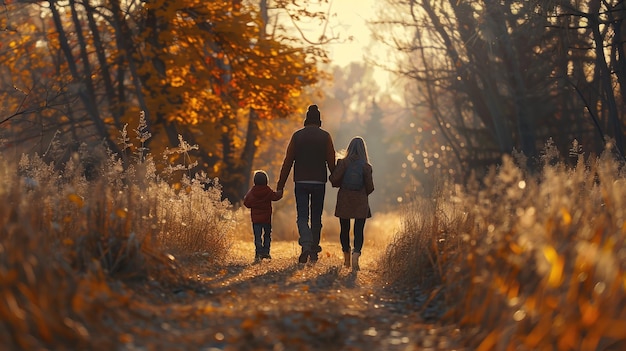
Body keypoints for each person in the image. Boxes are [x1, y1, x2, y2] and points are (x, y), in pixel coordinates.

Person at [276, 104, 336, 264]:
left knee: (302, 216)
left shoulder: (297, 136)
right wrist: (336, 179)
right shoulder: (325, 136)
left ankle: (306, 246)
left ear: (306, 119)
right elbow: (331, 161)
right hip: (319, 182)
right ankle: (314, 250)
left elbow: (288, 161)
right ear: (319, 121)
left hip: (301, 181)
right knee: (316, 217)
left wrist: (280, 185)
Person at [329, 136, 374, 271]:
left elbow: (333, 180)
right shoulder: (366, 166)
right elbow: (370, 187)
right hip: (360, 201)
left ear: (349, 148)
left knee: (344, 229)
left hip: (345, 199)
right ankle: (356, 253)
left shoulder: (343, 163)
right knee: (359, 230)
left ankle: (346, 257)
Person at [244, 170, 283, 263]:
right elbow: (275, 197)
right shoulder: (268, 190)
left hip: (256, 220)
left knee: (257, 237)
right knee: (267, 235)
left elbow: (246, 203)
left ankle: (258, 253)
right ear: (266, 180)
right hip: (267, 219)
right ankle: (266, 252)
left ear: (255, 181)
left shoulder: (252, 192)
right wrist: (280, 192)